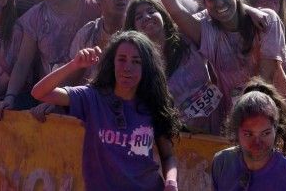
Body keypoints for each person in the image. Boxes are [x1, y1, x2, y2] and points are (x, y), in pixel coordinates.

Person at [136, 0, 286, 120]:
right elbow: (176, 12)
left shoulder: (267, 21)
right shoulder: (206, 29)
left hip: (271, 110)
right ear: (204, 4)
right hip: (230, 118)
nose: (219, 2)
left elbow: (265, 79)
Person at [31, 31, 181, 190]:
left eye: (136, 62)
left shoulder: (153, 103)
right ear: (112, 63)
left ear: (147, 67)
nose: (127, 68)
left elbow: (168, 156)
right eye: (122, 59)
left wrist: (171, 182)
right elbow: (39, 92)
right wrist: (74, 65)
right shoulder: (92, 97)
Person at [0, 0, 100, 119]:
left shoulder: (92, 9)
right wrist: (10, 98)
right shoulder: (36, 16)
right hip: (47, 94)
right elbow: (23, 62)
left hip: (83, 96)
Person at [125, 0, 220, 134]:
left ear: (163, 14)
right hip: (182, 138)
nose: (146, 17)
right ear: (133, 29)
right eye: (139, 17)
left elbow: (217, 12)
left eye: (151, 11)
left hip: (218, 124)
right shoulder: (138, 65)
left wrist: (251, 10)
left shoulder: (187, 37)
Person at [211, 79, 286, 191]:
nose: (257, 143)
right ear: (236, 132)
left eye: (265, 133)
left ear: (276, 129)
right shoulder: (221, 163)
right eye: (248, 134)